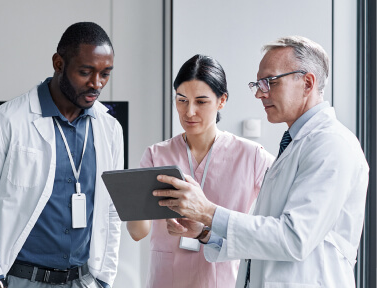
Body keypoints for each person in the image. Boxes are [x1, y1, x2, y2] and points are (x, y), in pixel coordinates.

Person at [157, 36, 369, 288]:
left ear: (308, 82)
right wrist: (204, 232)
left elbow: (294, 238)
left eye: (270, 82)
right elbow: (265, 236)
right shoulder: (294, 143)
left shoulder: (331, 144)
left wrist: (208, 212)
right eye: (258, 84)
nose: (259, 93)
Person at [0, 22, 123, 288]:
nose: (96, 84)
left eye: (105, 74)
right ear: (59, 63)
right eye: (85, 72)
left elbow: (111, 209)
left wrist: (104, 279)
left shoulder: (109, 129)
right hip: (22, 280)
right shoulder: (5, 121)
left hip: (83, 280)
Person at [126, 54, 274, 288]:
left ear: (222, 101)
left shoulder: (253, 156)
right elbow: (137, 233)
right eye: (181, 100)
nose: (189, 112)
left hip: (222, 278)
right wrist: (132, 201)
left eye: (201, 101)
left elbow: (273, 228)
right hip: (166, 279)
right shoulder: (156, 155)